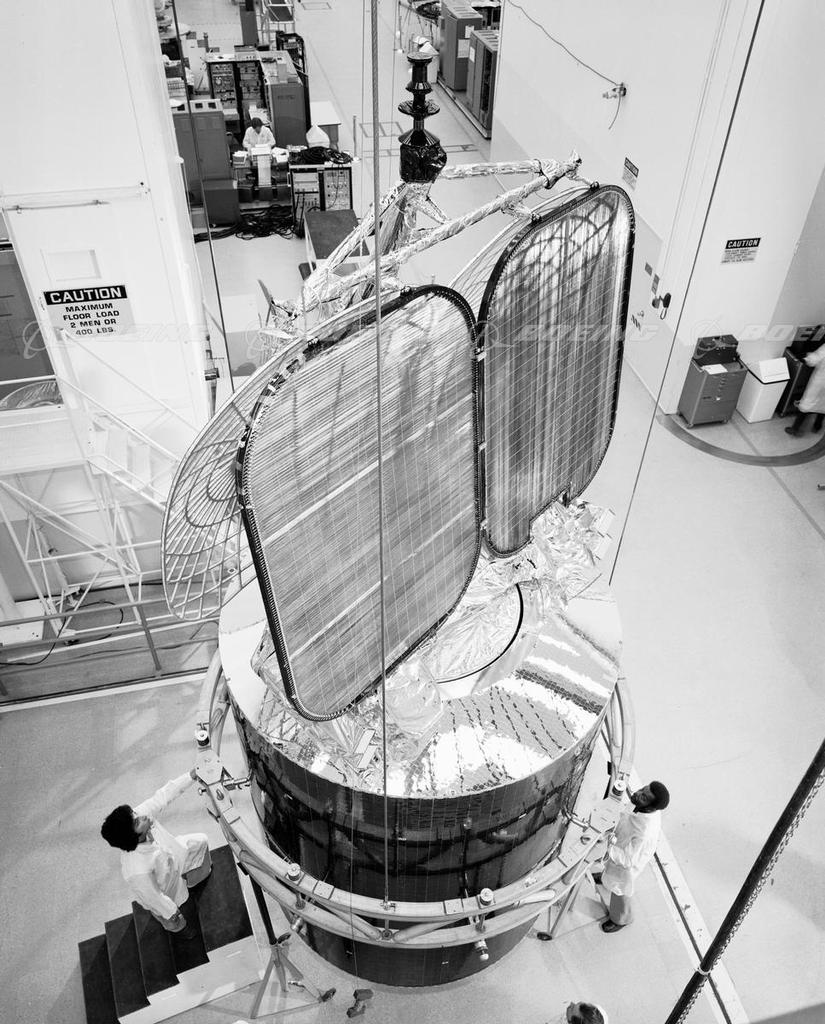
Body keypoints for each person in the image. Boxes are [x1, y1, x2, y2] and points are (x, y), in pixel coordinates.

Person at [100, 769, 211, 933]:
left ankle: (193, 881)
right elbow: (154, 897)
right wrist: (171, 913)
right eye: (137, 821)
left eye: (135, 814)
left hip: (174, 857)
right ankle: (180, 930)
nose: (142, 816)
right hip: (165, 886)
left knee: (201, 841)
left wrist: (191, 775)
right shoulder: (136, 870)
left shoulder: (139, 818)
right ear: (133, 837)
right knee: (176, 920)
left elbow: (163, 797)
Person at [595, 780, 670, 933]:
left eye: (644, 797)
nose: (637, 794)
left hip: (628, 862)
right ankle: (604, 876)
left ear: (651, 807)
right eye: (642, 789)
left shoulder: (645, 831)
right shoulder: (640, 805)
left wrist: (606, 847)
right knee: (610, 871)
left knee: (620, 888)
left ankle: (621, 919)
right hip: (622, 842)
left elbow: (628, 860)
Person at [785, 339, 825, 436]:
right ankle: (817, 426)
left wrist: (804, 357)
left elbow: (814, 359)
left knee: (807, 403)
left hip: (820, 381)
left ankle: (795, 428)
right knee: (823, 404)